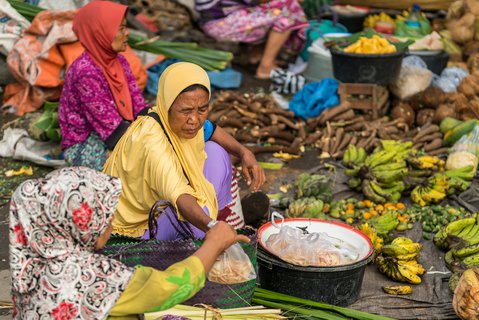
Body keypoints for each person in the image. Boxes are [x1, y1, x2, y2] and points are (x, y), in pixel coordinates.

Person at [9, 167, 249, 319]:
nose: (111, 223)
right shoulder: (89, 276)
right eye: (103, 214)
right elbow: (173, 287)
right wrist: (214, 243)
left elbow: (139, 279)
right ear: (77, 221)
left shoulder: (31, 266)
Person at [103, 62, 266, 240]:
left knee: (216, 152)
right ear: (167, 107)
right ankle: (205, 235)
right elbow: (180, 196)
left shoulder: (183, 122)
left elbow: (212, 130)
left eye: (202, 109)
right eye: (186, 111)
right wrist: (213, 228)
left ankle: (207, 225)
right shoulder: (151, 142)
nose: (194, 120)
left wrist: (244, 153)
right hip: (137, 230)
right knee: (194, 218)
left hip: (164, 204)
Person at [58, 1, 148, 171]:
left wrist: (160, 124)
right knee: (140, 168)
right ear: (101, 33)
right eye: (121, 29)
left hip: (119, 131)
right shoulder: (86, 72)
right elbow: (113, 132)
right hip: (86, 143)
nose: (127, 33)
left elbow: (139, 106)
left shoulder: (119, 61)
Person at [195, 0, 308, 79]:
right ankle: (265, 67)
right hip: (219, 24)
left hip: (221, 19)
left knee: (276, 8)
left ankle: (256, 55)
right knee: (287, 9)